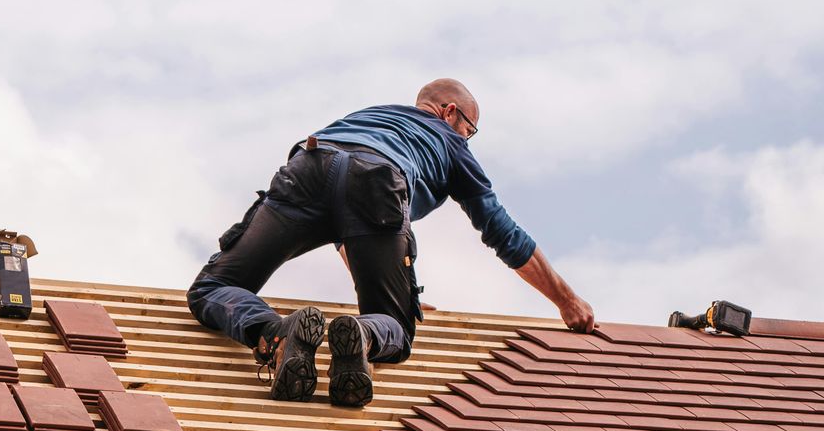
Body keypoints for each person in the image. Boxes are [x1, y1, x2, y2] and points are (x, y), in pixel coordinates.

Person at [186, 78, 595, 408]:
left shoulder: (367, 117)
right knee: (395, 325)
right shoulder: (449, 143)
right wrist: (566, 300)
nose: (467, 139)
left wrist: (400, 288)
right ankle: (365, 334)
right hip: (378, 183)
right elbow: (502, 231)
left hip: (309, 164)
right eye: (470, 130)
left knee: (213, 287)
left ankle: (274, 332)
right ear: (450, 112)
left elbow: (339, 202)